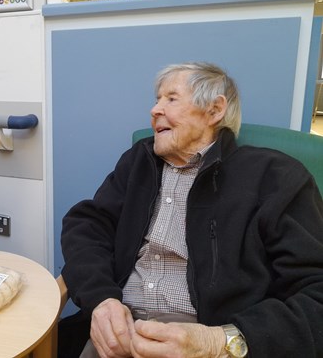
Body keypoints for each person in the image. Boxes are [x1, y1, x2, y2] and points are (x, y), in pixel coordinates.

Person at [59, 62, 323, 358]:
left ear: (214, 110)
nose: (155, 109)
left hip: (203, 341)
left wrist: (218, 342)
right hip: (119, 332)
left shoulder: (276, 177)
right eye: (157, 99)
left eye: (171, 99)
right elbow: (87, 225)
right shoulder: (138, 162)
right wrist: (101, 300)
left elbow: (316, 292)